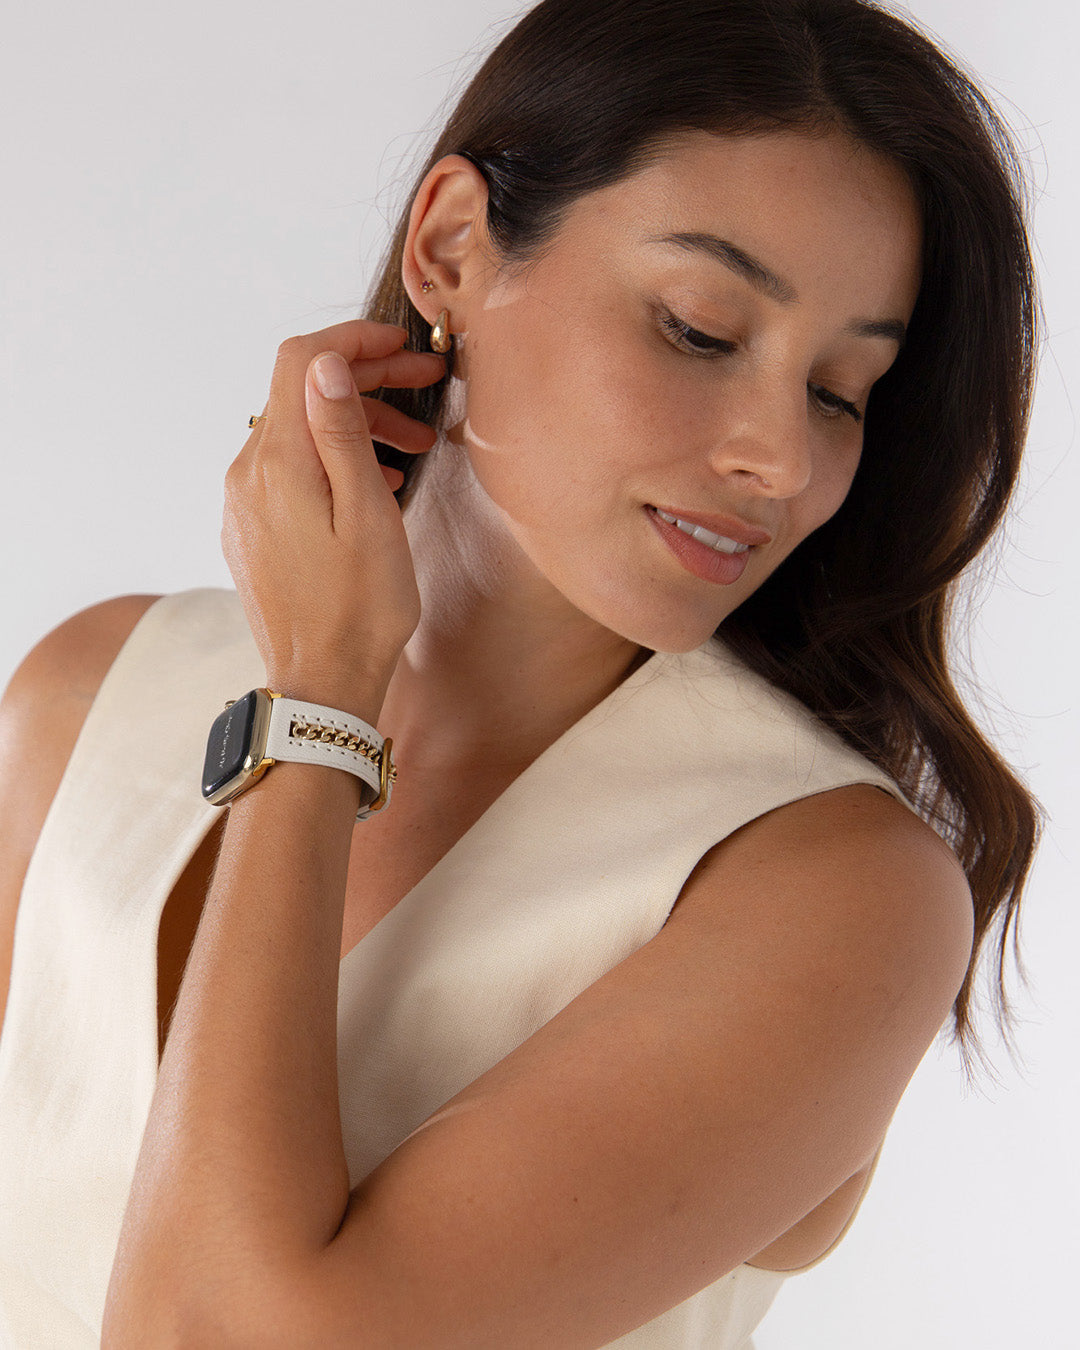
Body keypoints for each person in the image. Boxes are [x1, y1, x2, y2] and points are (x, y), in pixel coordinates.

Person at [0, 0, 1042, 1345]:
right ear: (450, 250)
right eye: (701, 329)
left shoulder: (831, 893)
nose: (781, 459)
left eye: (841, 391)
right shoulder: (89, 694)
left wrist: (323, 700)